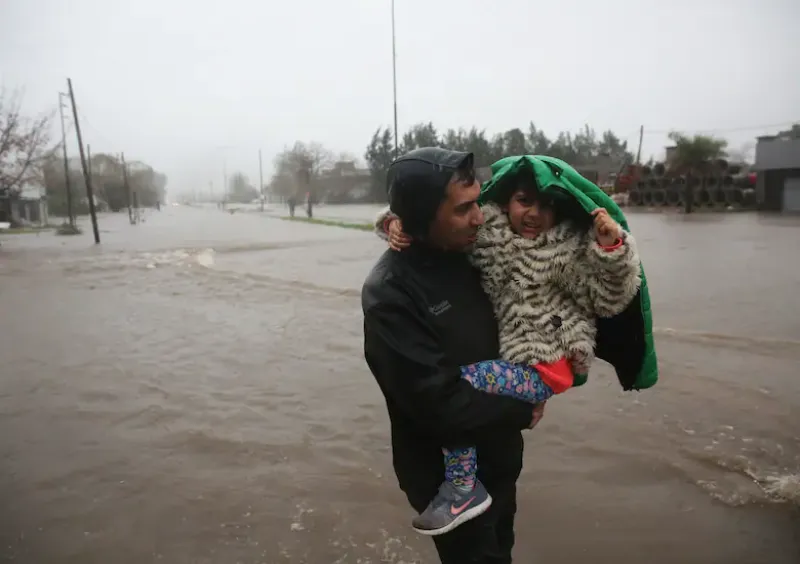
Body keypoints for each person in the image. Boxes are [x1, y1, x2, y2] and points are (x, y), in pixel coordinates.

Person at [375, 155, 648, 536]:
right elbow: (427, 215)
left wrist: (611, 249)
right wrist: (393, 222)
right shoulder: (474, 245)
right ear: (505, 202)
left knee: (465, 383)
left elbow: (608, 296)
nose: (535, 214)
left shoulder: (566, 251)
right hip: (465, 446)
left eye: (547, 204)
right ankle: (463, 486)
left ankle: (464, 487)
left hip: (539, 376)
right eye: (524, 201)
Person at [362, 148, 546, 563]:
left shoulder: (475, 252)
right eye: (464, 209)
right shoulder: (390, 294)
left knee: (502, 548)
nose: (479, 217)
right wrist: (522, 409)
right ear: (422, 217)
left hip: (500, 456)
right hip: (446, 480)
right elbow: (439, 406)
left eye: (478, 202)